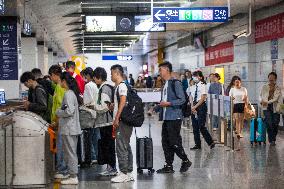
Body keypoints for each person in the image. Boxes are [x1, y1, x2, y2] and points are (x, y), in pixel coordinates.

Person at [154, 61, 192, 174]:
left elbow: (182, 100)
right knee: (165, 142)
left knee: (174, 141)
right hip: (166, 117)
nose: (159, 72)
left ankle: (185, 160)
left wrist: (169, 104)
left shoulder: (175, 83)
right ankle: (168, 165)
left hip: (174, 117)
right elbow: (163, 102)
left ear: (166, 69)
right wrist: (155, 108)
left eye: (160, 69)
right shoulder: (165, 84)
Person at [56, 72, 81, 185]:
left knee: (70, 153)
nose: (59, 82)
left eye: (60, 80)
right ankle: (72, 174)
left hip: (69, 128)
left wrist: (58, 112)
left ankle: (73, 176)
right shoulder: (71, 93)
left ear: (64, 81)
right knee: (70, 152)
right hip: (70, 128)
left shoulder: (68, 94)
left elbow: (69, 111)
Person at [110, 64, 134, 183]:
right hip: (124, 121)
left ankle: (123, 172)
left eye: (111, 73)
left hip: (122, 121)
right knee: (126, 146)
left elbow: (123, 101)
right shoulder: (122, 86)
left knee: (121, 147)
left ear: (116, 73)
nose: (111, 76)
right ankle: (128, 172)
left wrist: (116, 118)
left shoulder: (122, 86)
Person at [93, 67, 117, 176]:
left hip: (106, 122)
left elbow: (104, 106)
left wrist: (93, 106)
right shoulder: (108, 86)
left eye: (95, 78)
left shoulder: (104, 88)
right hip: (108, 121)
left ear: (98, 77)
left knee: (108, 145)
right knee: (108, 145)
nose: (94, 80)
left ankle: (112, 168)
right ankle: (110, 167)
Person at [48, 65, 68, 180]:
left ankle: (63, 169)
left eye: (51, 76)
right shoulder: (57, 87)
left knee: (61, 146)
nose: (51, 79)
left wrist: (57, 121)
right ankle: (62, 168)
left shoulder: (60, 87)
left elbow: (62, 106)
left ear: (55, 74)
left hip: (61, 123)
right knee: (60, 146)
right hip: (58, 122)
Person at [190, 71, 215, 150]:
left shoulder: (203, 85)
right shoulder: (193, 86)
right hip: (194, 106)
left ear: (200, 77)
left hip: (201, 106)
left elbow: (203, 98)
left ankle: (210, 142)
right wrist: (192, 106)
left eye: (196, 76)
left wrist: (195, 106)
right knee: (195, 127)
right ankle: (197, 144)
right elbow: (191, 96)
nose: (194, 77)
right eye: (193, 76)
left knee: (201, 126)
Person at [81, 67, 100, 164]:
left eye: (84, 76)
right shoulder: (96, 85)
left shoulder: (88, 85)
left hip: (89, 114)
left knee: (90, 137)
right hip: (96, 113)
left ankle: (93, 156)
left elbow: (87, 101)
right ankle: (97, 155)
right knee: (96, 136)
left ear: (87, 75)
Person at [260, 72, 282, 146]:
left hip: (276, 107)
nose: (271, 80)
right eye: (270, 78)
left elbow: (275, 99)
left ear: (275, 79)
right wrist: (261, 101)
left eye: (272, 79)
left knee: (275, 123)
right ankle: (271, 140)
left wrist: (266, 102)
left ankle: (273, 138)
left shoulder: (278, 88)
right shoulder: (264, 86)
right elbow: (260, 95)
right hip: (266, 108)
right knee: (269, 123)